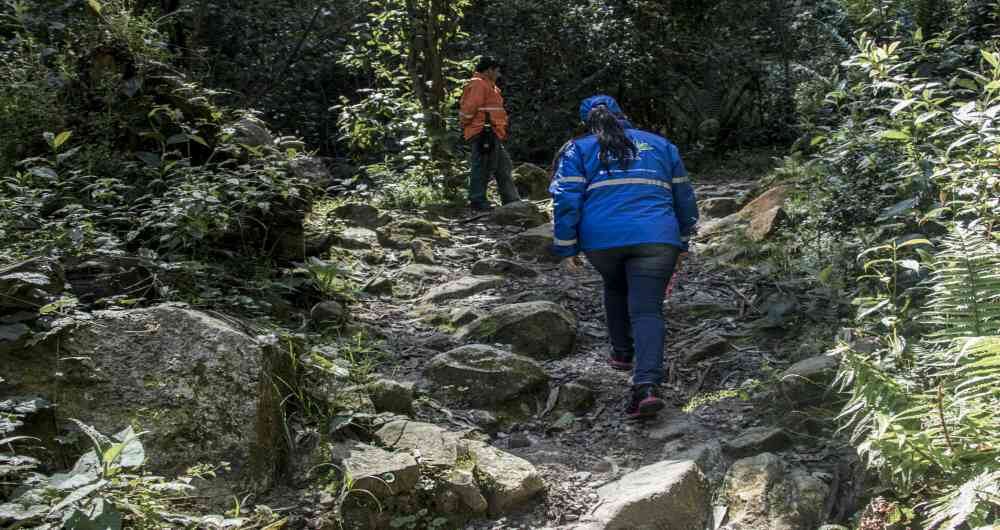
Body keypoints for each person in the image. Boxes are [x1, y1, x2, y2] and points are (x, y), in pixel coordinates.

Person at [549, 95, 698, 418]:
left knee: (615, 285)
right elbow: (684, 197)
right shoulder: (661, 145)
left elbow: (565, 199)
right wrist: (683, 240)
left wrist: (566, 246)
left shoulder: (578, 149)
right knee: (647, 310)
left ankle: (621, 353)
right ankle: (645, 387)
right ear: (622, 114)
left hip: (602, 240)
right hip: (657, 238)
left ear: (588, 122)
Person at [458, 56, 521, 211]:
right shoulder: (478, 84)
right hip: (483, 132)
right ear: (489, 70)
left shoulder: (489, 86)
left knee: (503, 166)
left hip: (491, 132)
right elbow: (470, 108)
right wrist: (467, 125)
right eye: (497, 71)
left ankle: (511, 201)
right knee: (482, 167)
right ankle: (477, 201)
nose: (499, 74)